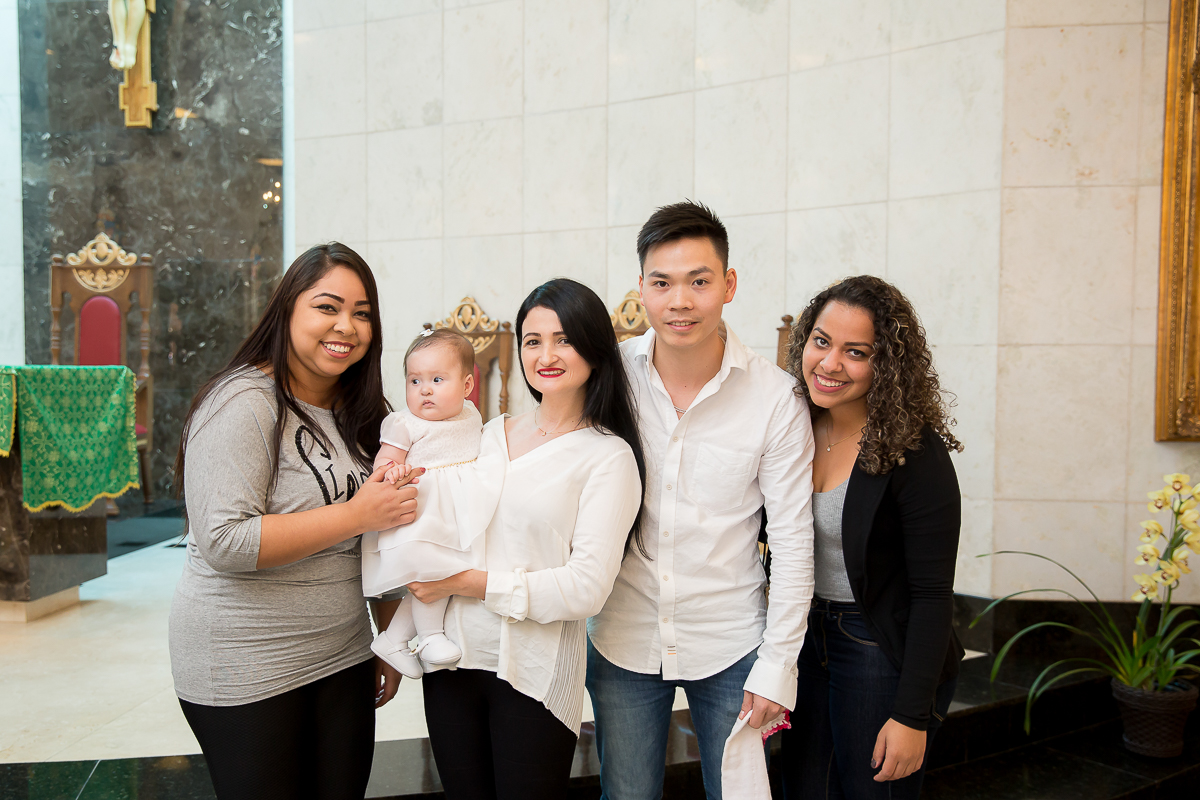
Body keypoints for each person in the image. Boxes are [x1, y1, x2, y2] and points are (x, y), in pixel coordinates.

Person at [168, 243, 417, 800]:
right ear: (287, 311)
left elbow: (378, 538)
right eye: (327, 307)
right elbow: (225, 540)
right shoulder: (244, 400)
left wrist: (391, 638)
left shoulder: (363, 415)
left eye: (361, 313)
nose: (345, 326)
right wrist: (354, 513)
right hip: (246, 664)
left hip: (343, 655)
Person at [586, 201, 816, 800]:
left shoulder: (775, 397)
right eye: (661, 283)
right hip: (624, 634)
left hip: (731, 639)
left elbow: (793, 541)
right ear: (641, 289)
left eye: (699, 281)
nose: (679, 301)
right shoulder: (610, 378)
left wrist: (778, 665)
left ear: (728, 285)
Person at [403, 278, 646, 800]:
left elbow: (585, 589)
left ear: (595, 349)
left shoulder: (608, 457)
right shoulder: (486, 434)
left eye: (563, 339)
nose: (546, 354)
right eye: (533, 340)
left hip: (531, 676)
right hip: (453, 661)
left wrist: (473, 583)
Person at [779, 275, 964, 799]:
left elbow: (932, 595)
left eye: (855, 352)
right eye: (821, 341)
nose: (831, 363)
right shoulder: (792, 426)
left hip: (877, 646)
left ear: (887, 365)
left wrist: (912, 717)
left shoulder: (913, 450)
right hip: (803, 637)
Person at [364, 328, 503, 676]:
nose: (424, 389)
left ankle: (394, 638)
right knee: (432, 573)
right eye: (415, 381)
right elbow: (384, 462)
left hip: (454, 514)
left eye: (437, 379)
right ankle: (429, 636)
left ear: (467, 386)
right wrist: (393, 472)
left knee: (444, 576)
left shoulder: (471, 415)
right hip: (419, 513)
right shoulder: (403, 424)